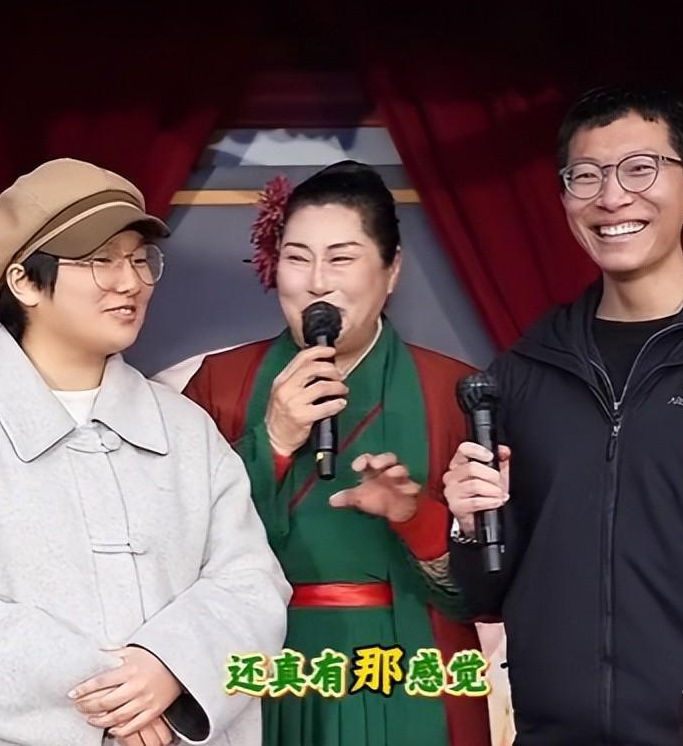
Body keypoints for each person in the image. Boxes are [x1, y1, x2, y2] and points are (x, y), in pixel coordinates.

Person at [444, 86, 683, 745]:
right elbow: (486, 595)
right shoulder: (526, 371)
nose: (611, 197)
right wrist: (471, 527)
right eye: (585, 176)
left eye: (639, 169)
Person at [0, 158, 290, 746]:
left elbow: (251, 583)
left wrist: (172, 669)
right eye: (101, 260)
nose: (131, 282)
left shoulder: (185, 429)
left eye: (140, 259)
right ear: (24, 281)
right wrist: (113, 695)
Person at [183, 161, 491, 746]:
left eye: (341, 259)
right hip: (262, 666)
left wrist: (415, 516)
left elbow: (492, 592)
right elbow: (176, 552)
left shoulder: (455, 391)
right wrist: (272, 442)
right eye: (297, 258)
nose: (317, 282)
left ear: (391, 270)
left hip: (409, 670)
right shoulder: (220, 384)